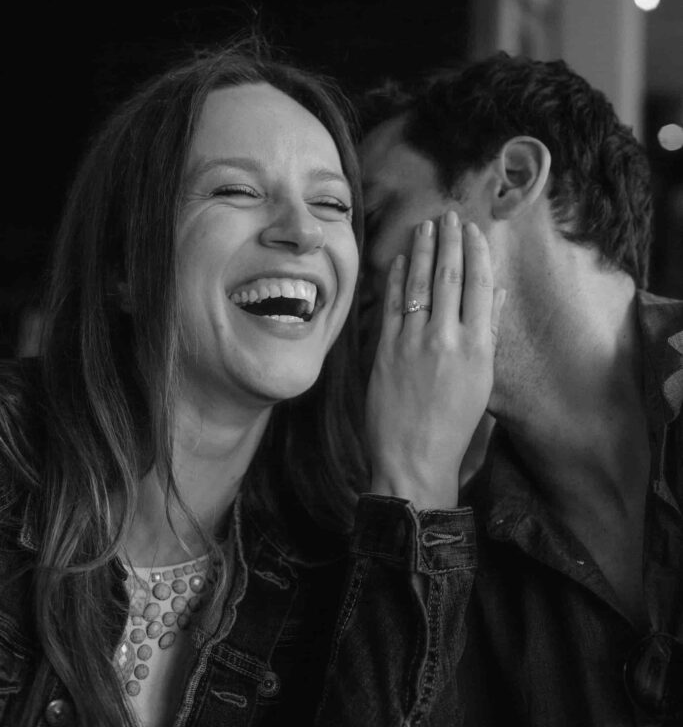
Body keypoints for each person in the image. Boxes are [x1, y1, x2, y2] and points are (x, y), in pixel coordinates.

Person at [0, 41, 502, 727]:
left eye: (331, 204)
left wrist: (416, 480)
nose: (301, 232)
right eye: (236, 189)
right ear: (122, 264)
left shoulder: (334, 570)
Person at [350, 51, 683, 726]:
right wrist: (411, 483)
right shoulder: (460, 538)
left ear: (513, 178)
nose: (347, 270)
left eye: (373, 217)